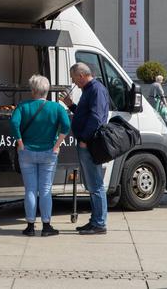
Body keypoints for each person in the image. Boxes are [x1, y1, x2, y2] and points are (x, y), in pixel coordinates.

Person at [11, 75, 70, 237]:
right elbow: (66, 126)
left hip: (27, 152)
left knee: (30, 189)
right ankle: (46, 226)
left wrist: (20, 143)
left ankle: (30, 226)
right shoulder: (56, 108)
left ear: (33, 90)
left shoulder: (23, 106)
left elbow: (14, 123)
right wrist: (57, 145)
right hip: (49, 152)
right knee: (45, 190)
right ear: (47, 90)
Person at [60, 63, 110, 235]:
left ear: (81, 75)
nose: (74, 82)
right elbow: (85, 114)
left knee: (95, 184)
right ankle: (95, 220)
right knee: (92, 184)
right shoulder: (90, 90)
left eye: (74, 79)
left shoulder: (96, 89)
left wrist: (85, 139)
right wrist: (71, 105)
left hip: (90, 143)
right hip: (86, 142)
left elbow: (96, 118)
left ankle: (99, 223)